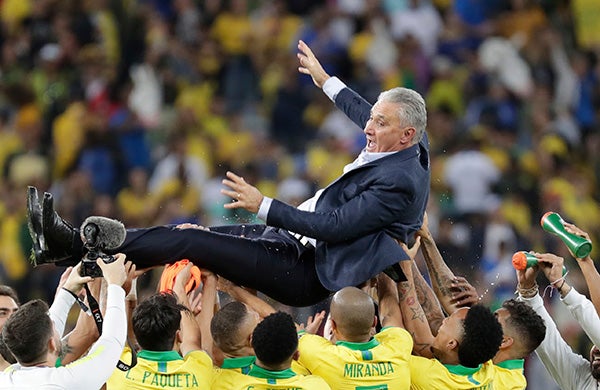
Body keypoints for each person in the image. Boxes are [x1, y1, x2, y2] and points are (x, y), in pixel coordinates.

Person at [27, 39, 430, 307]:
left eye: (380, 124)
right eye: (374, 118)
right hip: (292, 242)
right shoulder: (409, 143)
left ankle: (73, 246)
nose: (368, 129)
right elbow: (365, 110)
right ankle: (78, 248)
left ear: (406, 135)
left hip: (306, 269)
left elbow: (335, 227)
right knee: (187, 235)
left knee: (191, 243)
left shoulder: (398, 182)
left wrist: (263, 205)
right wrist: (326, 81)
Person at [0, 257, 128, 389]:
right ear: (51, 344)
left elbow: (41, 330)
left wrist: (68, 291)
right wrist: (114, 284)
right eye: (54, 328)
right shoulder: (68, 381)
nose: (57, 328)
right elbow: (112, 340)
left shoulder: (6, 378)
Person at [106, 263, 214, 389]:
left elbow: (120, 332)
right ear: (179, 336)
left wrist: (128, 286)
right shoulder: (198, 371)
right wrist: (179, 287)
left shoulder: (117, 365)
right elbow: (193, 341)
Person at [295, 285, 414, 389]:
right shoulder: (399, 344)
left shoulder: (321, 355)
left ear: (333, 325)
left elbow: (286, 327)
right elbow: (391, 314)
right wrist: (385, 276)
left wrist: (304, 334)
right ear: (374, 322)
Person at [517, 250, 600, 389]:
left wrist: (564, 284)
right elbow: (549, 345)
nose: (597, 348)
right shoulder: (585, 383)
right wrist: (528, 292)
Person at [212, 311, 332, 389]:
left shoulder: (223, 382)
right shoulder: (317, 386)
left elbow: (207, 352)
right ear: (296, 355)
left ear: (253, 344)